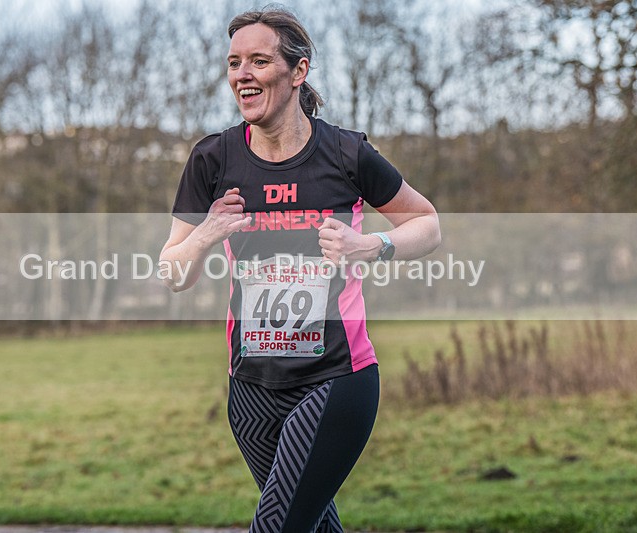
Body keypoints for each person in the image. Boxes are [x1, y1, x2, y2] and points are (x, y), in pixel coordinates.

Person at [160, 7, 441, 531]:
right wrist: (204, 236)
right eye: (234, 62)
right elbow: (173, 272)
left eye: (259, 61)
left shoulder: (345, 153)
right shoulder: (212, 159)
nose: (243, 74)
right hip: (249, 390)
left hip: (336, 378)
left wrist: (370, 246)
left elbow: (426, 224)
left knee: (276, 526)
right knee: (308, 524)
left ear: (298, 71)